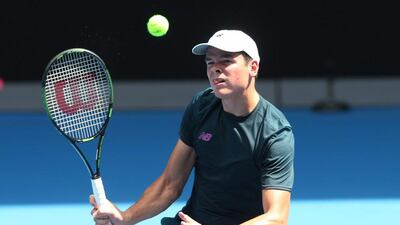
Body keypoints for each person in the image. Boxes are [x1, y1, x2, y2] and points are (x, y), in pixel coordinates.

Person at [90, 29, 295, 225]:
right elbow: (170, 184)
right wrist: (125, 218)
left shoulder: (274, 133)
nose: (215, 69)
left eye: (226, 61)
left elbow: (276, 217)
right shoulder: (201, 106)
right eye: (210, 62)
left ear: (253, 67)